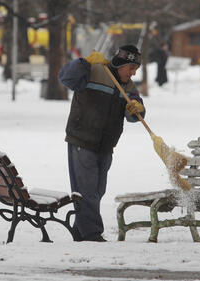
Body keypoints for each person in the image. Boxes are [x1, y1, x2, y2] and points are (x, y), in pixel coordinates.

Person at [58, 45, 145, 242]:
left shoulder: (128, 87)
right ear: (121, 64)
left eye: (136, 70)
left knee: (97, 190)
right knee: (87, 189)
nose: (132, 74)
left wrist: (137, 109)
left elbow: (135, 113)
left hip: (106, 145)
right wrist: (84, 62)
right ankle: (92, 233)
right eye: (131, 68)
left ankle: (80, 230)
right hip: (82, 139)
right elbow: (66, 78)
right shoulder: (94, 70)